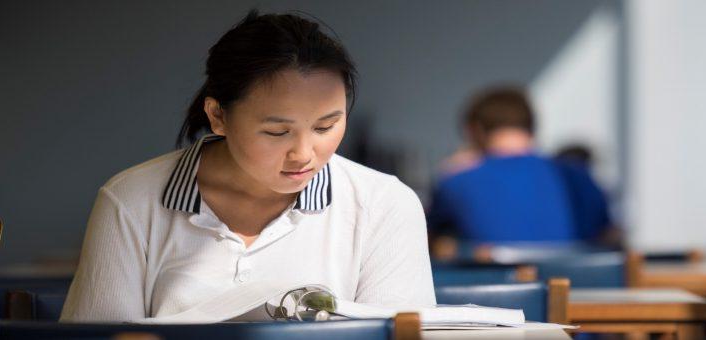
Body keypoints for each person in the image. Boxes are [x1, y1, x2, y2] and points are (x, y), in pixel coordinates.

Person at [60, 10, 435, 322]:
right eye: (276, 132)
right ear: (218, 115)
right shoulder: (131, 201)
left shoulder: (384, 204)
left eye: (326, 126)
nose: (304, 153)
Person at [428, 87, 575, 259]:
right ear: (531, 127)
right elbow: (605, 235)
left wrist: (447, 171)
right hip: (577, 284)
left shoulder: (457, 180)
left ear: (475, 130)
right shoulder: (575, 177)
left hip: (495, 281)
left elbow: (425, 237)